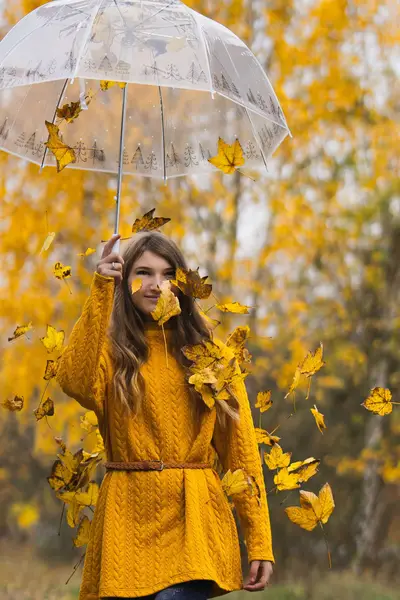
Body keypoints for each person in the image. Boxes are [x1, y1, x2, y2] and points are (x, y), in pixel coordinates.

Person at [56, 231, 274, 600]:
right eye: (142, 273)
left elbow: (242, 454)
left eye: (168, 274)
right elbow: (74, 380)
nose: (156, 285)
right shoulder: (112, 354)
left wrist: (259, 541)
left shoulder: (214, 357)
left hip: (193, 519)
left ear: (182, 283)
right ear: (125, 283)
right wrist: (99, 289)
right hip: (126, 516)